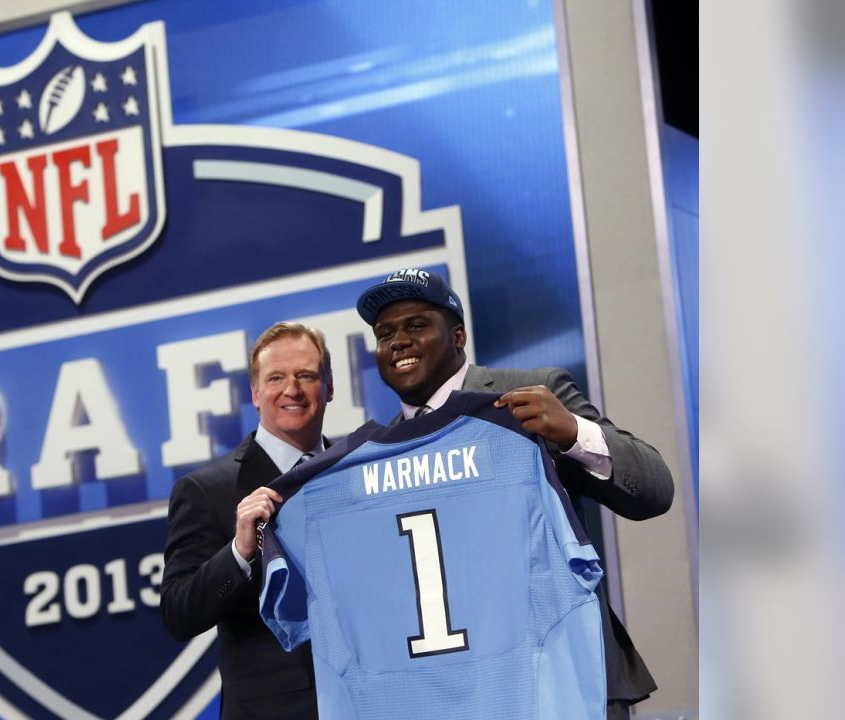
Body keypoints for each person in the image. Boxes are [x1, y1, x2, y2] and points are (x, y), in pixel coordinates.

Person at [355, 266, 673, 720]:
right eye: (385, 334)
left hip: (565, 678)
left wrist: (573, 433)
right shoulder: (377, 458)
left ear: (459, 335)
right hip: (453, 695)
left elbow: (655, 489)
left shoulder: (533, 395)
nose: (397, 341)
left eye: (416, 325)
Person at [161, 322, 333, 719]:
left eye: (306, 375)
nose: (292, 389)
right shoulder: (207, 489)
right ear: (255, 393)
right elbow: (178, 613)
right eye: (276, 378)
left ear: (329, 387)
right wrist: (238, 553)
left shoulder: (356, 466)